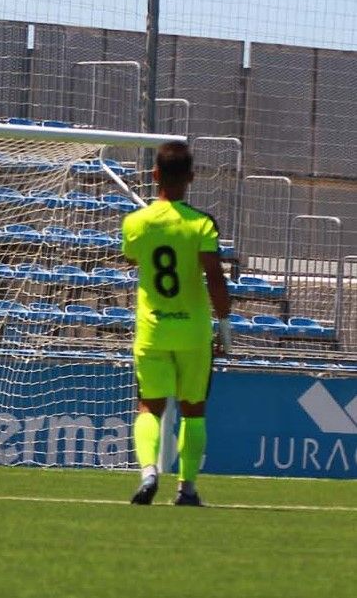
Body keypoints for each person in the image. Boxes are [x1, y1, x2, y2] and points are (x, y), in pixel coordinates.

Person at [121, 141, 231, 507]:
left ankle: (149, 471)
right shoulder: (202, 224)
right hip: (193, 331)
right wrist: (226, 326)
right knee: (193, 410)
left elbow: (133, 255)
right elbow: (215, 278)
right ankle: (186, 489)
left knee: (149, 407)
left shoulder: (136, 223)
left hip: (153, 328)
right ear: (191, 177)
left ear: (154, 175)